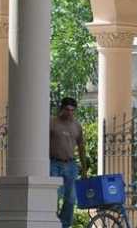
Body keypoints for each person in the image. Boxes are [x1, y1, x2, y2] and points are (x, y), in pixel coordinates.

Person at [50, 97, 88, 228]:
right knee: (54, 197)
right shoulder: (52, 122)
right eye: (67, 109)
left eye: (72, 110)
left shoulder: (77, 126)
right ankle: (52, 223)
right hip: (53, 164)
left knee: (71, 199)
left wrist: (84, 168)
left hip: (71, 165)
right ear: (61, 109)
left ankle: (64, 225)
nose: (70, 113)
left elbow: (81, 147)